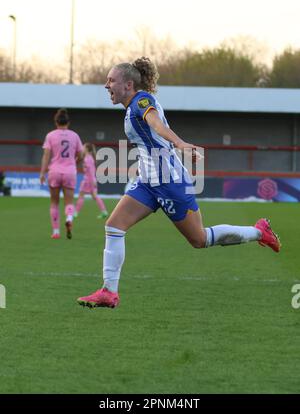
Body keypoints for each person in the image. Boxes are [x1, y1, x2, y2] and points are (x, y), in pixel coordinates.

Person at [77, 57, 281, 309]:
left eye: (111, 80)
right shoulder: (132, 106)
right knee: (114, 226)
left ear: (128, 84)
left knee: (199, 239)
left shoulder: (142, 101)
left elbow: (156, 124)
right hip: (149, 181)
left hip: (169, 182)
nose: (106, 85)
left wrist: (179, 143)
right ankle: (109, 292)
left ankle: (261, 231)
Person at [40, 108, 83, 239]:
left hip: (54, 171)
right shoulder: (74, 136)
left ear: (56, 122)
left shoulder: (51, 135)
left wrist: (42, 173)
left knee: (54, 202)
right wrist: (74, 163)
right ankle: (69, 218)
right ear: (68, 122)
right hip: (69, 171)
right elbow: (80, 155)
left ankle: (56, 232)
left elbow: (46, 156)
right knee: (69, 202)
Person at [74, 142, 108, 219]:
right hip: (90, 180)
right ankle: (104, 211)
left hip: (88, 180)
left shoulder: (88, 159)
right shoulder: (88, 158)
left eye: (83, 147)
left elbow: (91, 171)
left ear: (86, 149)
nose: (82, 148)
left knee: (81, 196)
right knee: (94, 196)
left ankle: (75, 212)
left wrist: (93, 180)